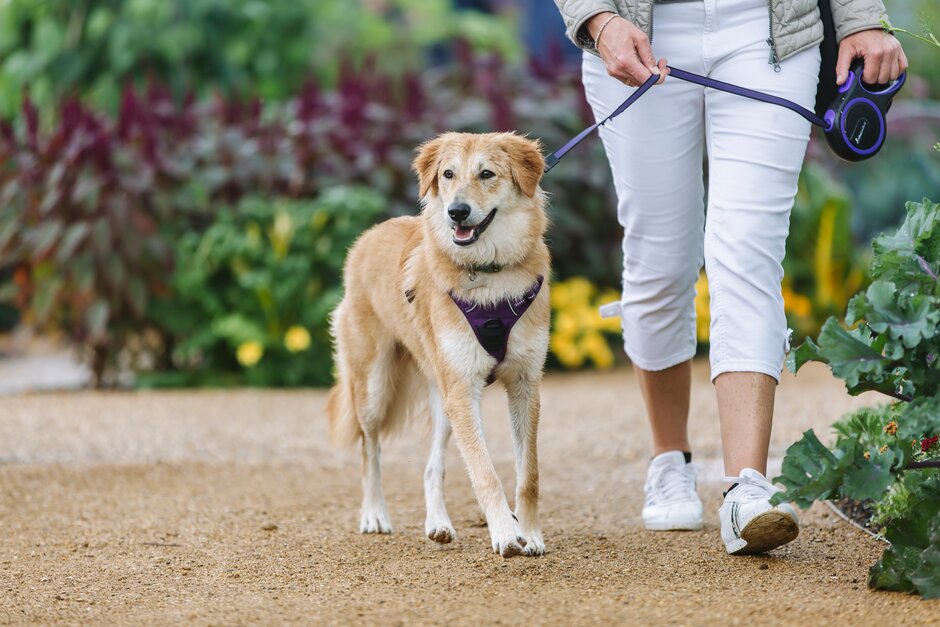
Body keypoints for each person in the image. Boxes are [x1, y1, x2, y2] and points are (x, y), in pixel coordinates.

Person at [554, 0, 906, 554]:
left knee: (747, 250)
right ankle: (670, 459)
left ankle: (748, 488)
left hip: (771, 33)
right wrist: (599, 19)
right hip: (638, 31)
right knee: (660, 260)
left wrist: (861, 15)